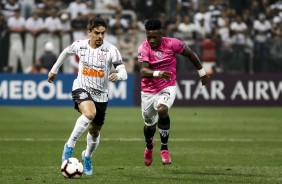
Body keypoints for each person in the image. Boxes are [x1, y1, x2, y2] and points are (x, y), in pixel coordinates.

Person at [47, 17, 127, 175]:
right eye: (97, 33)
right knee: (89, 113)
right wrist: (54, 70)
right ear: (89, 32)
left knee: (94, 131)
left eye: (103, 33)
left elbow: (123, 70)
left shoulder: (111, 50)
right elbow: (66, 52)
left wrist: (118, 76)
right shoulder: (80, 45)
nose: (100, 37)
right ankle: (69, 146)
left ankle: (88, 156)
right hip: (81, 87)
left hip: (101, 96)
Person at [137, 18, 210, 166]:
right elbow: (143, 70)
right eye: (148, 37)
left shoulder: (172, 43)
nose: (151, 40)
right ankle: (149, 146)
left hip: (167, 86)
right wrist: (158, 73)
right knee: (149, 125)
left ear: (161, 34)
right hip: (148, 91)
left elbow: (190, 53)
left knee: (162, 109)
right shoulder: (144, 48)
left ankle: (164, 148)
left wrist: (202, 72)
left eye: (154, 37)